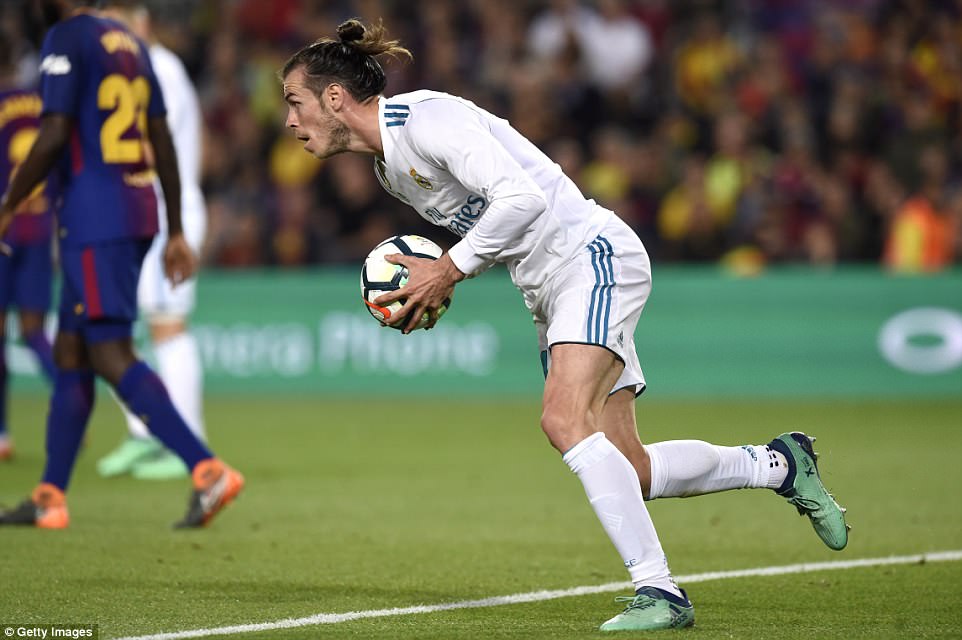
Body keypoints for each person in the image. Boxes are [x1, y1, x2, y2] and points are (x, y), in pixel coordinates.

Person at [280, 19, 849, 632]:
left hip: (590, 257)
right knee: (629, 468)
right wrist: (439, 282)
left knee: (562, 420)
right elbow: (494, 228)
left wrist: (448, 269)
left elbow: (522, 200)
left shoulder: (425, 121)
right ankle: (779, 464)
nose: (289, 120)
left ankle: (660, 591)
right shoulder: (389, 170)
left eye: (294, 101)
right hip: (548, 289)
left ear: (333, 97)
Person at [0, 0, 242, 529]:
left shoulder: (68, 38)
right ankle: (50, 496)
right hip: (135, 209)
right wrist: (174, 228)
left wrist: (9, 203)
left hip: (95, 216)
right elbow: (161, 139)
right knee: (71, 350)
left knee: (109, 349)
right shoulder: (132, 44)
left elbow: (55, 132)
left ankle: (206, 470)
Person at [95, 2, 208, 480]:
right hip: (142, 211)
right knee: (121, 327)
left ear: (140, 23)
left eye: (115, 24)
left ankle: (187, 443)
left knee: (168, 325)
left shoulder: (158, 69)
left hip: (166, 213)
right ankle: (146, 433)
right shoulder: (144, 69)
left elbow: (146, 146)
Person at [0, 35, 58, 461]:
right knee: (35, 331)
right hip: (39, 227)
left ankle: (2, 433)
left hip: (3, 229)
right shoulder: (43, 105)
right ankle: (72, 399)